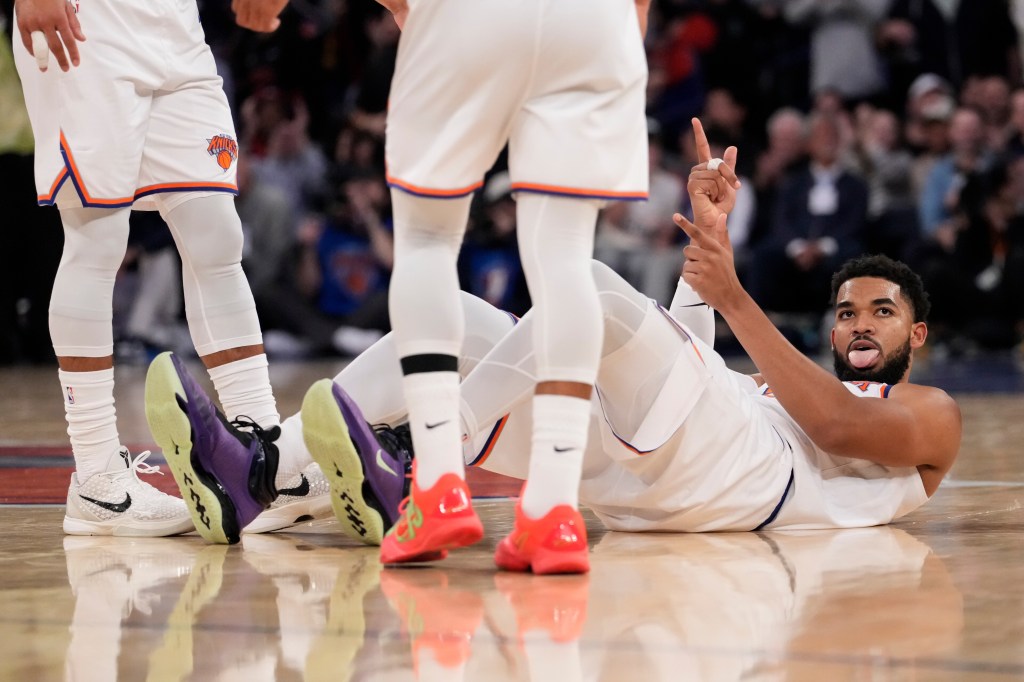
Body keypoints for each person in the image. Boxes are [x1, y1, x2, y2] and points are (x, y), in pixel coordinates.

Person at [293, 119, 961, 546]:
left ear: (919, 332)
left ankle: (426, 454)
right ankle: (273, 478)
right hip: (644, 495)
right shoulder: (776, 388)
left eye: (881, 311)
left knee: (591, 287)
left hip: (742, 483)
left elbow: (839, 428)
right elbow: (690, 368)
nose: (860, 322)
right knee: (458, 320)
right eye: (847, 312)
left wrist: (731, 296)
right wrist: (711, 233)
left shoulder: (931, 413)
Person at [230, 0, 654, 572]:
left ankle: (437, 489)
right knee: (566, 257)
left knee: (427, 237)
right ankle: (553, 512)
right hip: (596, 21)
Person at [12, 0, 317, 539]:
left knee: (217, 232)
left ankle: (263, 462)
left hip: (175, 24)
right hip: (86, 21)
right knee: (96, 238)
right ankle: (97, 480)